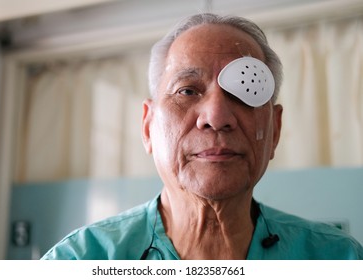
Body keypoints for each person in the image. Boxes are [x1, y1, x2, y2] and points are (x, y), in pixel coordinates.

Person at [42, 13, 363, 260]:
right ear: (147, 127)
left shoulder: (338, 258)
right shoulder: (79, 261)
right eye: (187, 91)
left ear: (275, 130)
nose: (217, 117)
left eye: (244, 92)